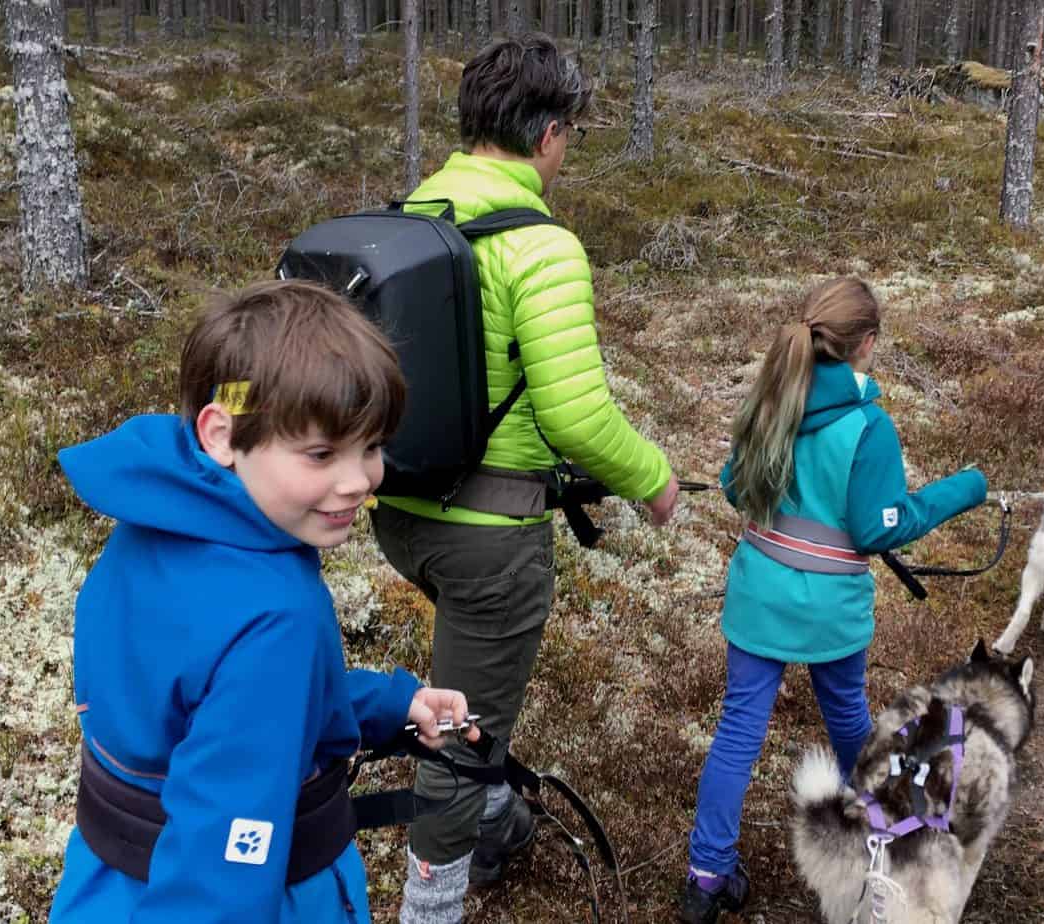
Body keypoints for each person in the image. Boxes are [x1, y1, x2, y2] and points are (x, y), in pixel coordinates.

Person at [372, 33, 680, 923]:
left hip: (399, 517)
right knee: (459, 743)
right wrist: (653, 480)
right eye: (572, 133)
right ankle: (431, 903)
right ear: (548, 133)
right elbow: (577, 418)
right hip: (488, 541)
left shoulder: (413, 214)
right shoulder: (540, 245)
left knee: (471, 692)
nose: (568, 149)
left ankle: (502, 817)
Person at [49, 280, 476, 923]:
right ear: (222, 433)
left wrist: (390, 704)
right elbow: (218, 882)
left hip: (108, 887)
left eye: (373, 447)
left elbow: (212, 694)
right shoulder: (278, 619)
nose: (358, 480)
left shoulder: (158, 521)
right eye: (322, 452)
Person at [677, 277, 989, 924]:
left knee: (737, 731)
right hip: (830, 610)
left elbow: (736, 490)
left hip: (758, 595)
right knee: (847, 719)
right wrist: (965, 489)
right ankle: (883, 839)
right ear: (865, 345)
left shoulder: (773, 397)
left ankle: (705, 878)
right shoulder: (868, 426)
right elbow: (879, 528)